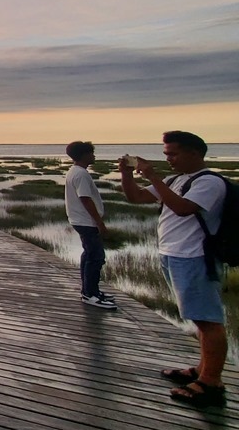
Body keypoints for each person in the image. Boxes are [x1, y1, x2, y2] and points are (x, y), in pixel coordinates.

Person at [119, 131, 228, 407]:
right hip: (174, 255)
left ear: (195, 153)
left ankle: (210, 383)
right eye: (166, 153)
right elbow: (137, 198)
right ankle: (201, 370)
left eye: (173, 153)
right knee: (198, 317)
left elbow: (181, 208)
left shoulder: (209, 183)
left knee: (208, 320)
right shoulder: (176, 180)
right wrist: (127, 175)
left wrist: (152, 176)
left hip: (195, 257)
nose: (169, 158)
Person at [65, 141, 115, 309]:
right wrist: (100, 224)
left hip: (81, 220)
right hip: (86, 222)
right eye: (91, 153)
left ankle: (89, 290)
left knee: (89, 255)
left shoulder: (75, 171)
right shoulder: (80, 174)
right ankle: (90, 294)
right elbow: (85, 199)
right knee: (96, 257)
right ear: (84, 155)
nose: (94, 156)